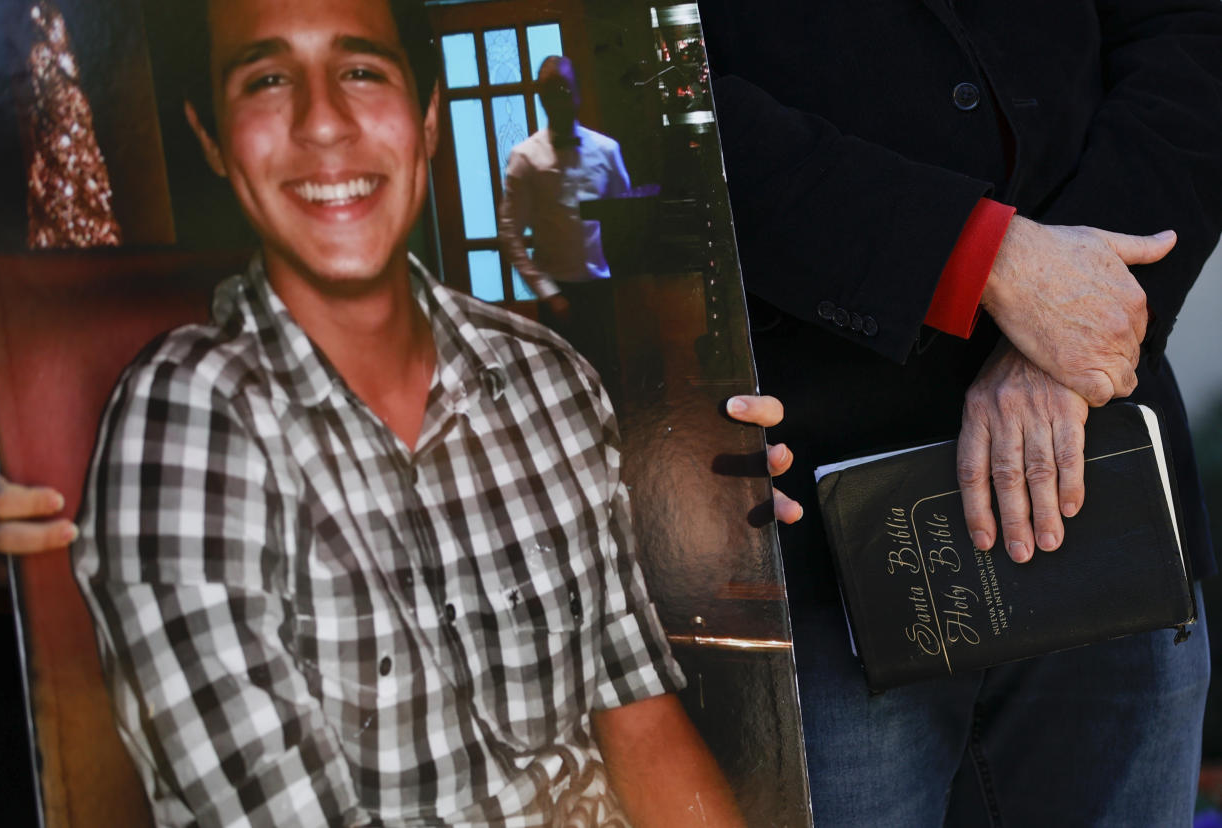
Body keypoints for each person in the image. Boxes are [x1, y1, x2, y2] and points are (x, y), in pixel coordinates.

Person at [66, 0, 793, 825]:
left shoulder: (552, 384)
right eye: (268, 79)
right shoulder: (185, 426)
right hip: (565, 299)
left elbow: (641, 723)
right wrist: (552, 289)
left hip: (597, 314)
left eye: (361, 71)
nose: (324, 122)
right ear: (212, 141)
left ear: (428, 118)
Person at [697, 0, 1222, 824]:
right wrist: (974, 259)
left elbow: (1190, 28)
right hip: (804, 524)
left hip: (1106, 476)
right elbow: (631, 84)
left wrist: (1074, 325)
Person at [497, 56, 628, 375]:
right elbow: (510, 232)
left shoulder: (607, 150)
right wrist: (547, 292)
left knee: (609, 378)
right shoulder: (525, 158)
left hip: (602, 287)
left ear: (578, 92)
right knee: (564, 386)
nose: (559, 98)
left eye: (564, 89)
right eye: (551, 91)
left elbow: (625, 215)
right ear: (542, 98)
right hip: (557, 294)